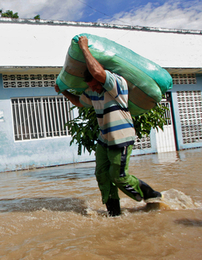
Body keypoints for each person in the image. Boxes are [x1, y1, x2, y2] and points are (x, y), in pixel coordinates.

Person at [55, 36, 162, 217]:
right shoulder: (92, 91)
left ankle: (152, 197)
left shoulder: (116, 83)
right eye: (91, 86)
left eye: (96, 85)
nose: (95, 88)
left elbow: (97, 74)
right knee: (102, 175)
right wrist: (63, 91)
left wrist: (83, 47)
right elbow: (79, 102)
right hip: (104, 139)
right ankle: (114, 213)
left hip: (121, 137)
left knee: (119, 176)